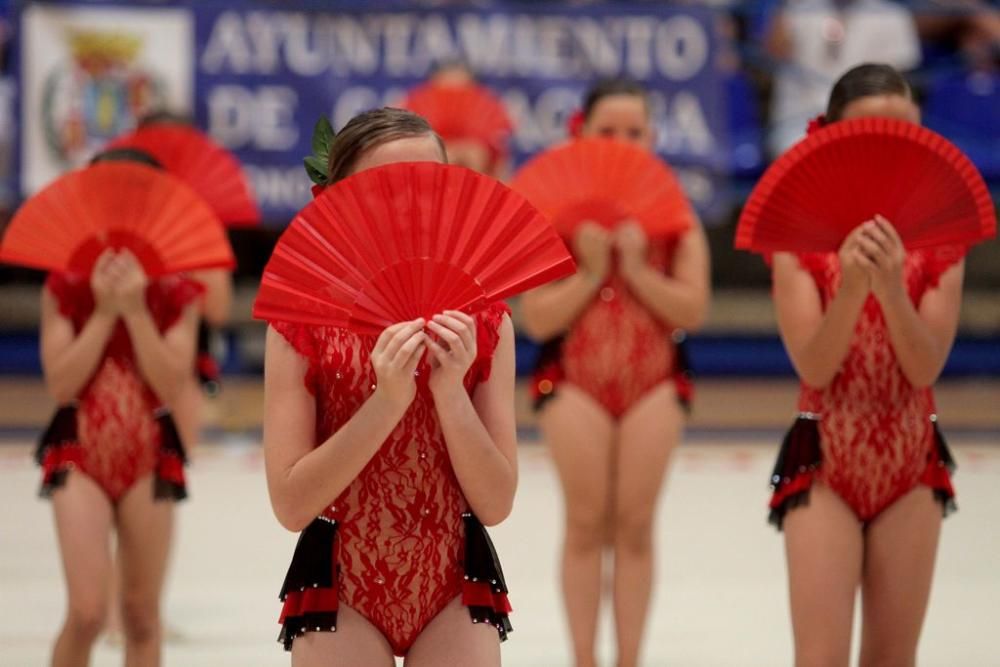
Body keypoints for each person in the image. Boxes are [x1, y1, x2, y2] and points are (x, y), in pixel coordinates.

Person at [263, 107, 516, 666]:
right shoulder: (300, 319)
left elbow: (496, 502)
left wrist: (450, 392)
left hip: (451, 581)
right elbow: (291, 503)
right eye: (386, 188)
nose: (410, 205)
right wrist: (388, 402)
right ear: (337, 199)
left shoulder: (485, 317)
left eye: (427, 186)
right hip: (341, 586)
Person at [767, 63, 962, 667]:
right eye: (871, 131)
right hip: (826, 458)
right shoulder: (799, 229)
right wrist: (852, 288)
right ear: (831, 135)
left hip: (910, 459)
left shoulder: (941, 227)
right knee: (819, 658)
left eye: (902, 131)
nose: (888, 146)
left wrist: (894, 288)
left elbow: (924, 367)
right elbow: (815, 366)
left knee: (893, 659)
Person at [521, 79, 711, 667]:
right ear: (582, 134)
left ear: (653, 137)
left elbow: (693, 310)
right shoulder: (553, 213)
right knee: (584, 521)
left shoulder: (674, 212)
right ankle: (584, 658)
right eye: (609, 132)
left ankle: (629, 659)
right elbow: (535, 319)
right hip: (574, 380)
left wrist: (636, 269)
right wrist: (588, 271)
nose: (623, 142)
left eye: (635, 132)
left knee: (633, 525)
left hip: (652, 382)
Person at [38, 149, 201, 667]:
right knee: (87, 612)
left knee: (140, 615)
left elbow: (171, 383)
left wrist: (135, 309)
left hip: (149, 457)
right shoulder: (65, 283)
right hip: (79, 454)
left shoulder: (177, 289)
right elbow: (62, 383)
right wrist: (105, 312)